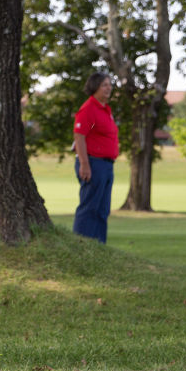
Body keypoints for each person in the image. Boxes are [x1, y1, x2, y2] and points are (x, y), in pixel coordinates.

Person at [72, 72, 119, 243]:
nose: (109, 88)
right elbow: (80, 136)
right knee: (89, 208)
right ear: (95, 88)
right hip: (93, 164)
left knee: (102, 210)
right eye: (104, 85)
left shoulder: (105, 110)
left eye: (109, 84)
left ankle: (99, 247)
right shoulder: (89, 110)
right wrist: (84, 164)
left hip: (106, 166)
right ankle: (81, 244)